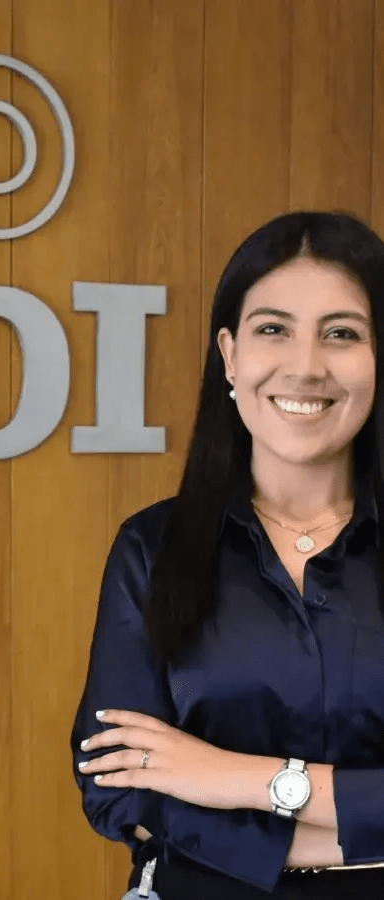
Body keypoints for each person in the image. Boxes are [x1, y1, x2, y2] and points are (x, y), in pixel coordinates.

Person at [70, 210, 384, 899]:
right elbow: (116, 788)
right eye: (273, 329)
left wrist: (232, 777)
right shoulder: (151, 547)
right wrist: (346, 835)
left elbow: (174, 793)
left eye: (341, 333)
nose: (305, 366)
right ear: (230, 354)